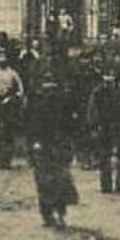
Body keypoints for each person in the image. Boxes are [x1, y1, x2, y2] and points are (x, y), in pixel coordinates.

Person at [26, 77, 80, 228]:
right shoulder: (37, 109)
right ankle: (48, 214)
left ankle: (60, 213)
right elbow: (31, 130)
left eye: (53, 91)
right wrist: (33, 147)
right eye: (47, 91)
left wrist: (69, 147)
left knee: (61, 182)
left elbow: (71, 129)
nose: (50, 95)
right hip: (44, 149)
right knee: (44, 183)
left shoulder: (64, 109)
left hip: (59, 148)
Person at [85, 68, 120, 195]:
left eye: (112, 77)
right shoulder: (98, 92)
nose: (109, 79)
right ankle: (107, 185)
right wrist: (94, 126)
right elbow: (92, 111)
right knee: (105, 157)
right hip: (105, 127)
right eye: (107, 77)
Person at [0, 51, 25, 169]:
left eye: (4, 58)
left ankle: (8, 161)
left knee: (8, 133)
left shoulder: (13, 74)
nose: (2, 60)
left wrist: (10, 98)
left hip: (9, 105)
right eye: (0, 58)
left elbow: (20, 91)